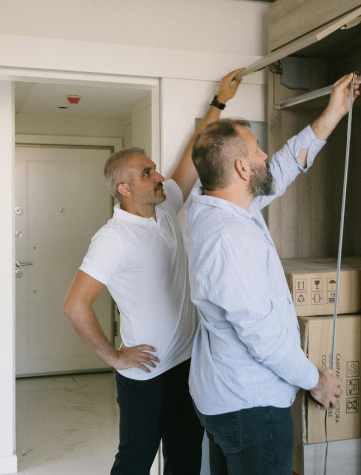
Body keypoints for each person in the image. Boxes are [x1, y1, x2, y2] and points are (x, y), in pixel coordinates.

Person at [62, 68, 245, 475]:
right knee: (134, 462)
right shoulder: (113, 239)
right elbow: (75, 305)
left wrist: (219, 102)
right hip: (146, 374)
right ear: (125, 189)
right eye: (147, 173)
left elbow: (192, 158)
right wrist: (114, 356)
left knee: (184, 458)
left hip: (186, 363)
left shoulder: (165, 205)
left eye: (154, 168)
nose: (159, 175)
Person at [184, 73, 360, 474]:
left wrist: (333, 112)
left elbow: (281, 168)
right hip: (251, 408)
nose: (266, 155)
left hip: (225, 398)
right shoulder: (230, 240)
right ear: (242, 168)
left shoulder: (212, 203)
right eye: (258, 150)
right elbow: (261, 336)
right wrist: (315, 379)